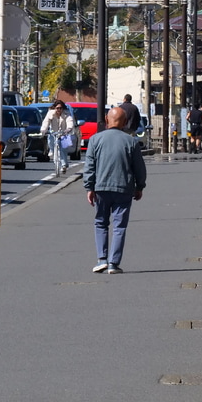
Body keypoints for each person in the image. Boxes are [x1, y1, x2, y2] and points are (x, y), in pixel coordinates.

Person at [84, 106, 146, 275]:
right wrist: (139, 186)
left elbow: (89, 166)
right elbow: (139, 167)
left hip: (101, 187)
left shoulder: (95, 140)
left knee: (101, 223)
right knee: (119, 226)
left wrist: (89, 187)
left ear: (106, 120)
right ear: (125, 123)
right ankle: (113, 263)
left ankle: (101, 259)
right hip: (123, 188)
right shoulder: (131, 141)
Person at [40, 100, 78, 176]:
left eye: (60, 108)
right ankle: (52, 152)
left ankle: (64, 165)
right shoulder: (50, 113)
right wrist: (43, 130)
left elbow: (70, 122)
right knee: (51, 141)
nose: (59, 110)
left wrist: (68, 129)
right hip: (54, 132)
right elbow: (46, 122)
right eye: (57, 108)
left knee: (63, 149)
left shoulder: (66, 114)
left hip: (64, 133)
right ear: (55, 108)